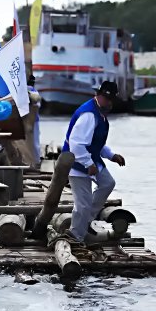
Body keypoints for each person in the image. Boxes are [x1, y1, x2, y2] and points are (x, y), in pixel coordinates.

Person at [62, 81, 126, 243]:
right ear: (98, 96)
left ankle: (86, 221)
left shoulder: (100, 113)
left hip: (92, 159)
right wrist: (88, 163)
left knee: (107, 183)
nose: (109, 103)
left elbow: (96, 141)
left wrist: (111, 155)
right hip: (76, 163)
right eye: (107, 99)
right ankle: (76, 235)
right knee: (83, 204)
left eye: (111, 100)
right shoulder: (89, 114)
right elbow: (76, 144)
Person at [27, 75, 42, 163]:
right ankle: (36, 161)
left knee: (31, 142)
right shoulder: (34, 91)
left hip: (27, 119)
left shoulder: (31, 91)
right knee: (35, 142)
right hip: (34, 120)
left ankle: (34, 161)